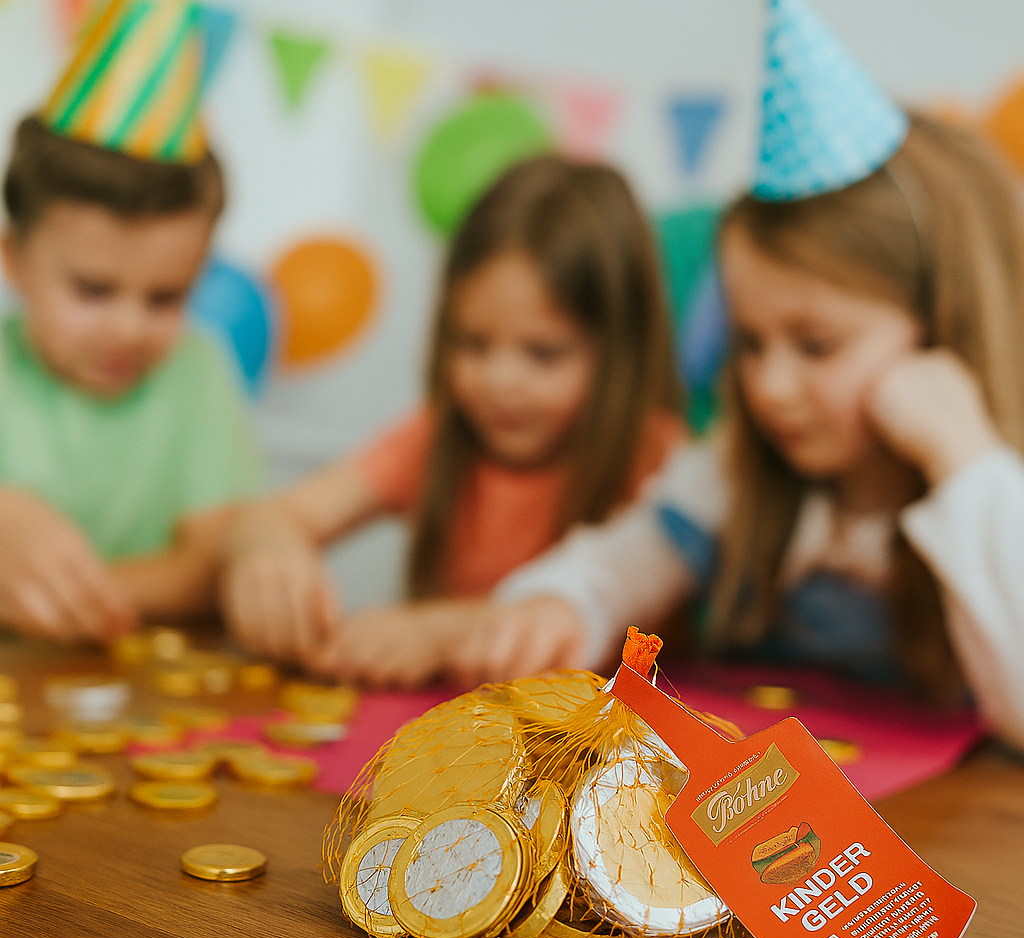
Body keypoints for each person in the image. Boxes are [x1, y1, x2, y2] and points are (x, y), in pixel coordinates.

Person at [327, 4, 1024, 755]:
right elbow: (613, 566)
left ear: (942, 331)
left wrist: (966, 460)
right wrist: (560, 603)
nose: (772, 386)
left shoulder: (992, 498)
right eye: (750, 343)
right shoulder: (732, 474)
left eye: (816, 346)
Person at [222, 154, 683, 675]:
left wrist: (440, 632)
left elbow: (622, 629)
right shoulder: (438, 435)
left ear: (621, 353)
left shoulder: (664, 465)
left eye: (543, 353)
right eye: (473, 343)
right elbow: (274, 516)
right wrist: (268, 547)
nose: (499, 382)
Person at [0, 2, 261, 643]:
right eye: (92, 290)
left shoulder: (197, 374)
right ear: (14, 260)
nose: (127, 329)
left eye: (166, 298)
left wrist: (68, 597)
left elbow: (213, 562)